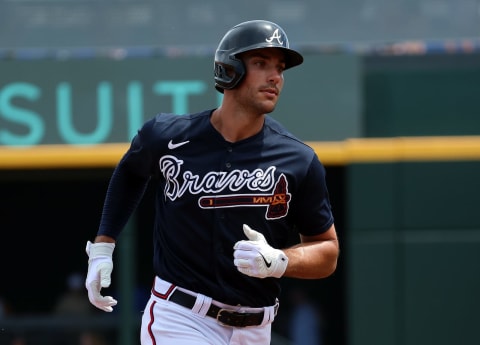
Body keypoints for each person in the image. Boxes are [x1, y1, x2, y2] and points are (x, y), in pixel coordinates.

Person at [84, 19, 339, 345]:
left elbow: (327, 251)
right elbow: (130, 173)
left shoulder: (298, 159)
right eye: (261, 63)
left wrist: (280, 261)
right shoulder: (169, 137)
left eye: (280, 67)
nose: (275, 76)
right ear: (228, 69)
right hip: (181, 316)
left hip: (257, 328)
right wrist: (103, 248)